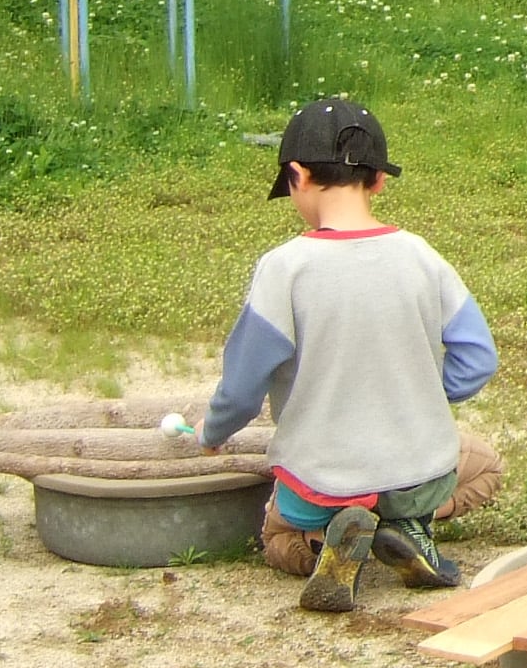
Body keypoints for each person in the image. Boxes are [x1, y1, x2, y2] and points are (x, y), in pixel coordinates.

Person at [200, 95, 500, 611]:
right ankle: (407, 527)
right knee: (486, 466)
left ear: (297, 174)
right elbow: (479, 358)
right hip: (417, 474)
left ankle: (324, 545)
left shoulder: (284, 268)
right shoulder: (422, 257)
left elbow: (242, 385)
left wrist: (213, 433)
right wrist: (423, 393)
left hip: (320, 481)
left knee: (277, 536)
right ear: (380, 180)